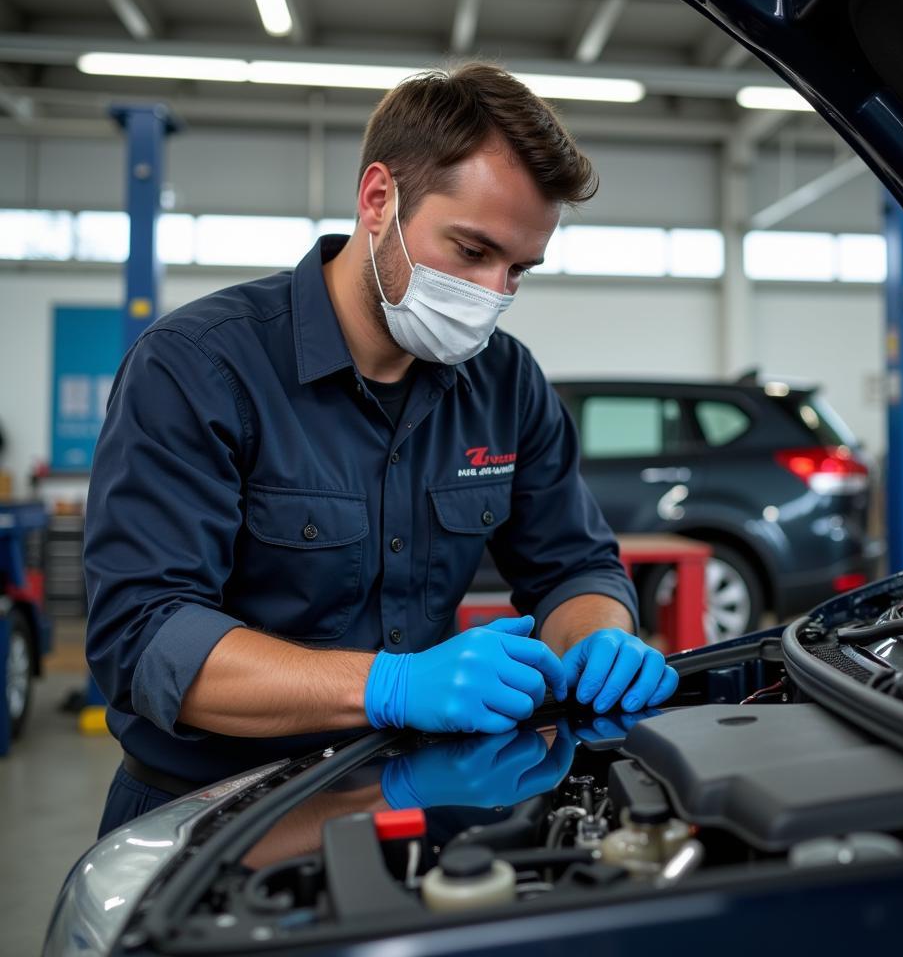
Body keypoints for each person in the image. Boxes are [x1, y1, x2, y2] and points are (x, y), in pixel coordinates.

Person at [85, 63, 678, 836]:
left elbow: (574, 566)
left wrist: (600, 634)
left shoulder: (504, 382)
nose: (494, 293)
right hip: (211, 818)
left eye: (518, 271)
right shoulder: (199, 366)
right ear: (378, 201)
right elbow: (144, 636)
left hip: (415, 796)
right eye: (471, 251)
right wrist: (389, 685)